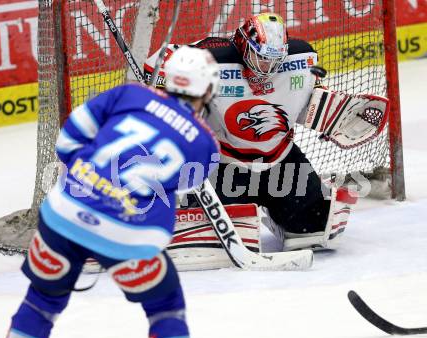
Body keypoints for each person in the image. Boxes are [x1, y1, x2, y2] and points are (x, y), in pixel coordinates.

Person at [1, 46, 220, 338]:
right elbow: (183, 184)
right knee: (165, 307)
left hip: (65, 211)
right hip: (129, 235)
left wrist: (92, 178)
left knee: (41, 302)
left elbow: (67, 142)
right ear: (208, 89)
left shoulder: (130, 94)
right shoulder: (206, 143)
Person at [144, 12, 370, 253]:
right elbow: (157, 62)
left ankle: (284, 210)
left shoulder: (301, 62)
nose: (266, 67)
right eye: (260, 57)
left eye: (273, 60)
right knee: (211, 239)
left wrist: (336, 115)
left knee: (314, 227)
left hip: (282, 163)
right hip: (225, 167)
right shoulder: (213, 61)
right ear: (243, 45)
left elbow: (308, 108)